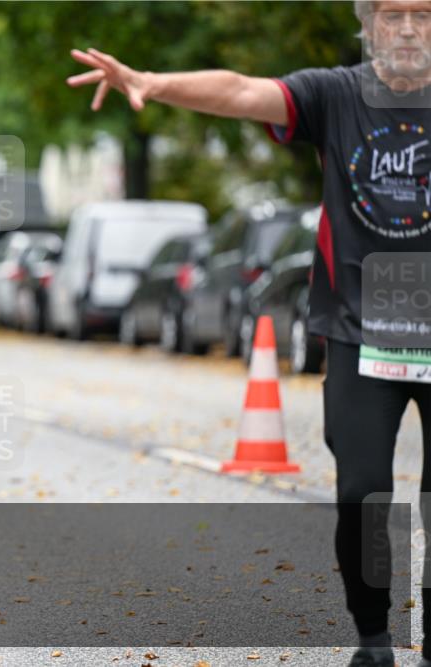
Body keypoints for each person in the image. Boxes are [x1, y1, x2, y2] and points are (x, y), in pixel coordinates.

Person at [68, 2, 431, 666]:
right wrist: (152, 81)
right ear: (369, 24)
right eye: (392, 14)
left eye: (423, 14)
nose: (408, 28)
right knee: (362, 491)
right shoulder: (335, 94)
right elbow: (239, 91)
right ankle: (374, 635)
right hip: (361, 333)